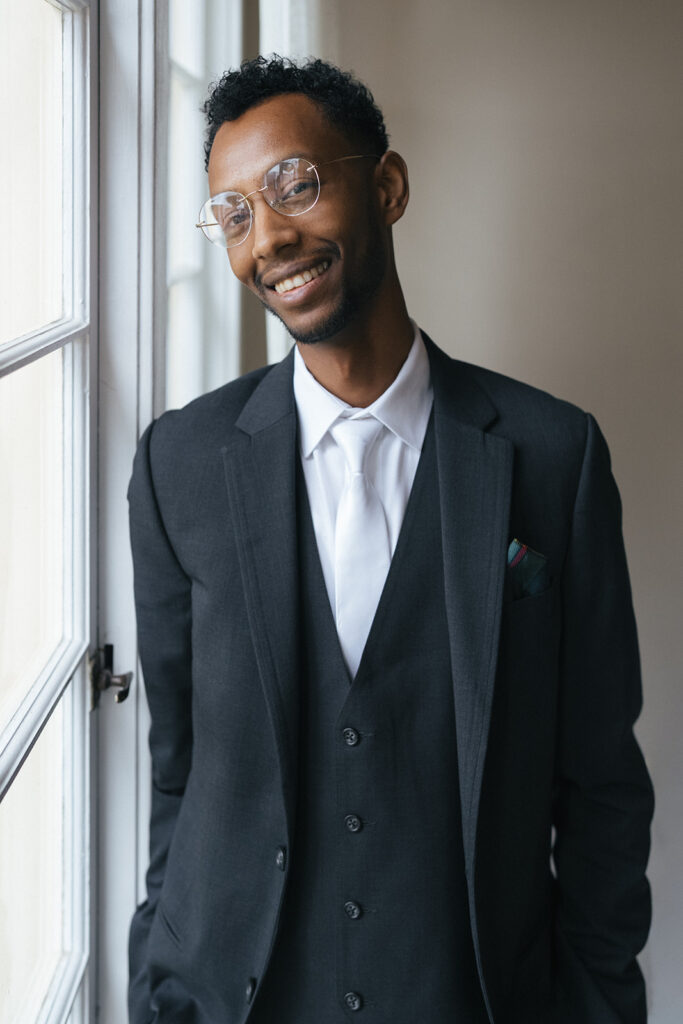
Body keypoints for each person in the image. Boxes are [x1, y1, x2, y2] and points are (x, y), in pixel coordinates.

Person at [127, 55, 653, 1024]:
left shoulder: (551, 456)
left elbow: (602, 794)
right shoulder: (179, 466)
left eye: (293, 184)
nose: (269, 237)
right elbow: (179, 770)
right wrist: (158, 984)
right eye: (234, 214)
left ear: (386, 185)